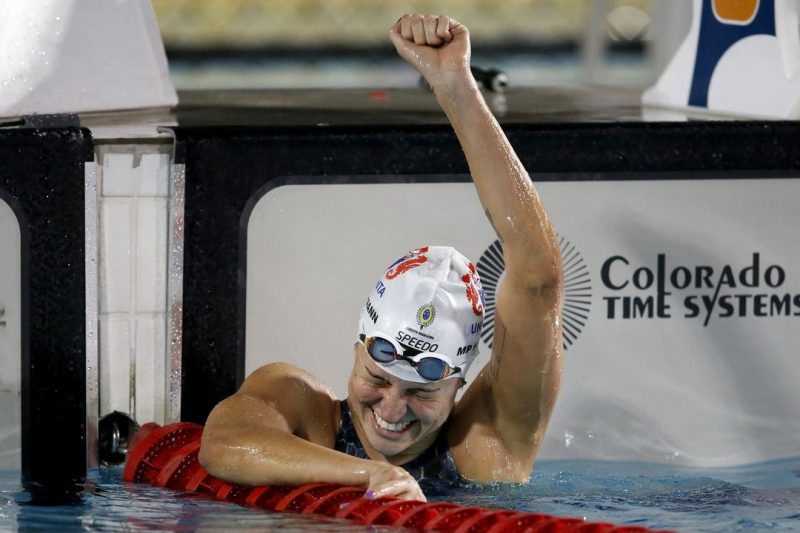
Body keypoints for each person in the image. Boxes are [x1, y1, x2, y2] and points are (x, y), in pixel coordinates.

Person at [198, 14, 563, 502]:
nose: (392, 410)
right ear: (357, 347)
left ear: (458, 384)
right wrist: (368, 475)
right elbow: (223, 445)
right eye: (377, 378)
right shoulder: (302, 408)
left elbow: (538, 278)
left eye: (422, 392)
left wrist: (455, 85)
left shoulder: (484, 445)